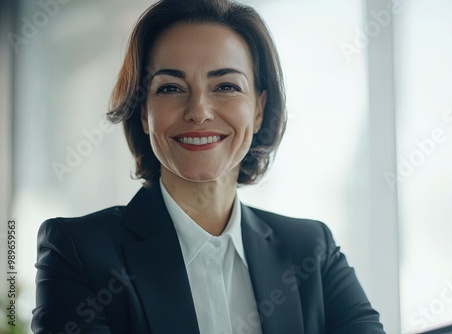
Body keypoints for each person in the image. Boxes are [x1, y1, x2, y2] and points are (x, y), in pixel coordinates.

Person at [32, 0, 385, 333]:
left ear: (259, 109)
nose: (198, 111)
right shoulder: (77, 252)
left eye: (227, 86)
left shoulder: (313, 250)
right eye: (170, 88)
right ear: (143, 112)